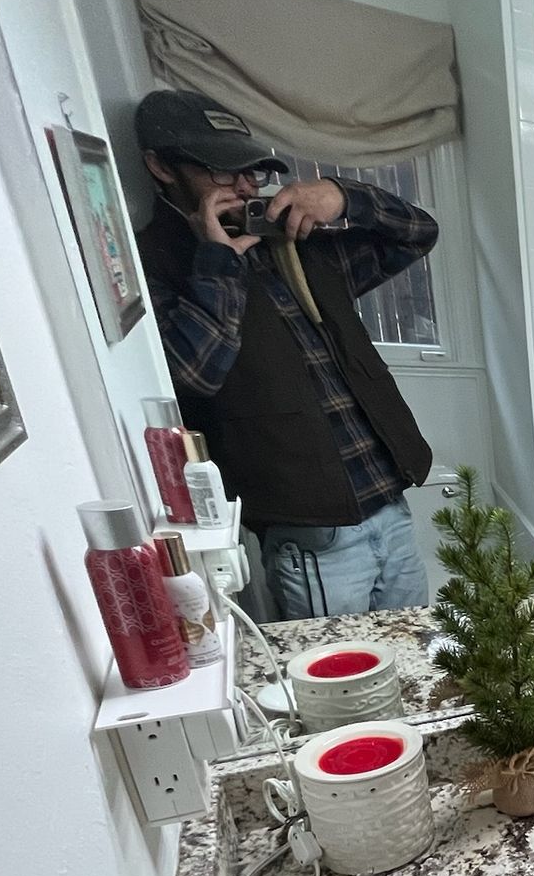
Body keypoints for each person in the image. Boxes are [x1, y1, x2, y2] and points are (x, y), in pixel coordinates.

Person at [134, 88, 437, 617]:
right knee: (338, 685)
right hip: (311, 531)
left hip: (390, 503)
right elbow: (195, 371)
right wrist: (217, 261)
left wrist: (346, 198)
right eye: (221, 172)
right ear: (161, 167)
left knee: (415, 655)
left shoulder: (296, 245)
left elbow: (417, 234)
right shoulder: (155, 261)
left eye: (250, 171)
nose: (244, 186)